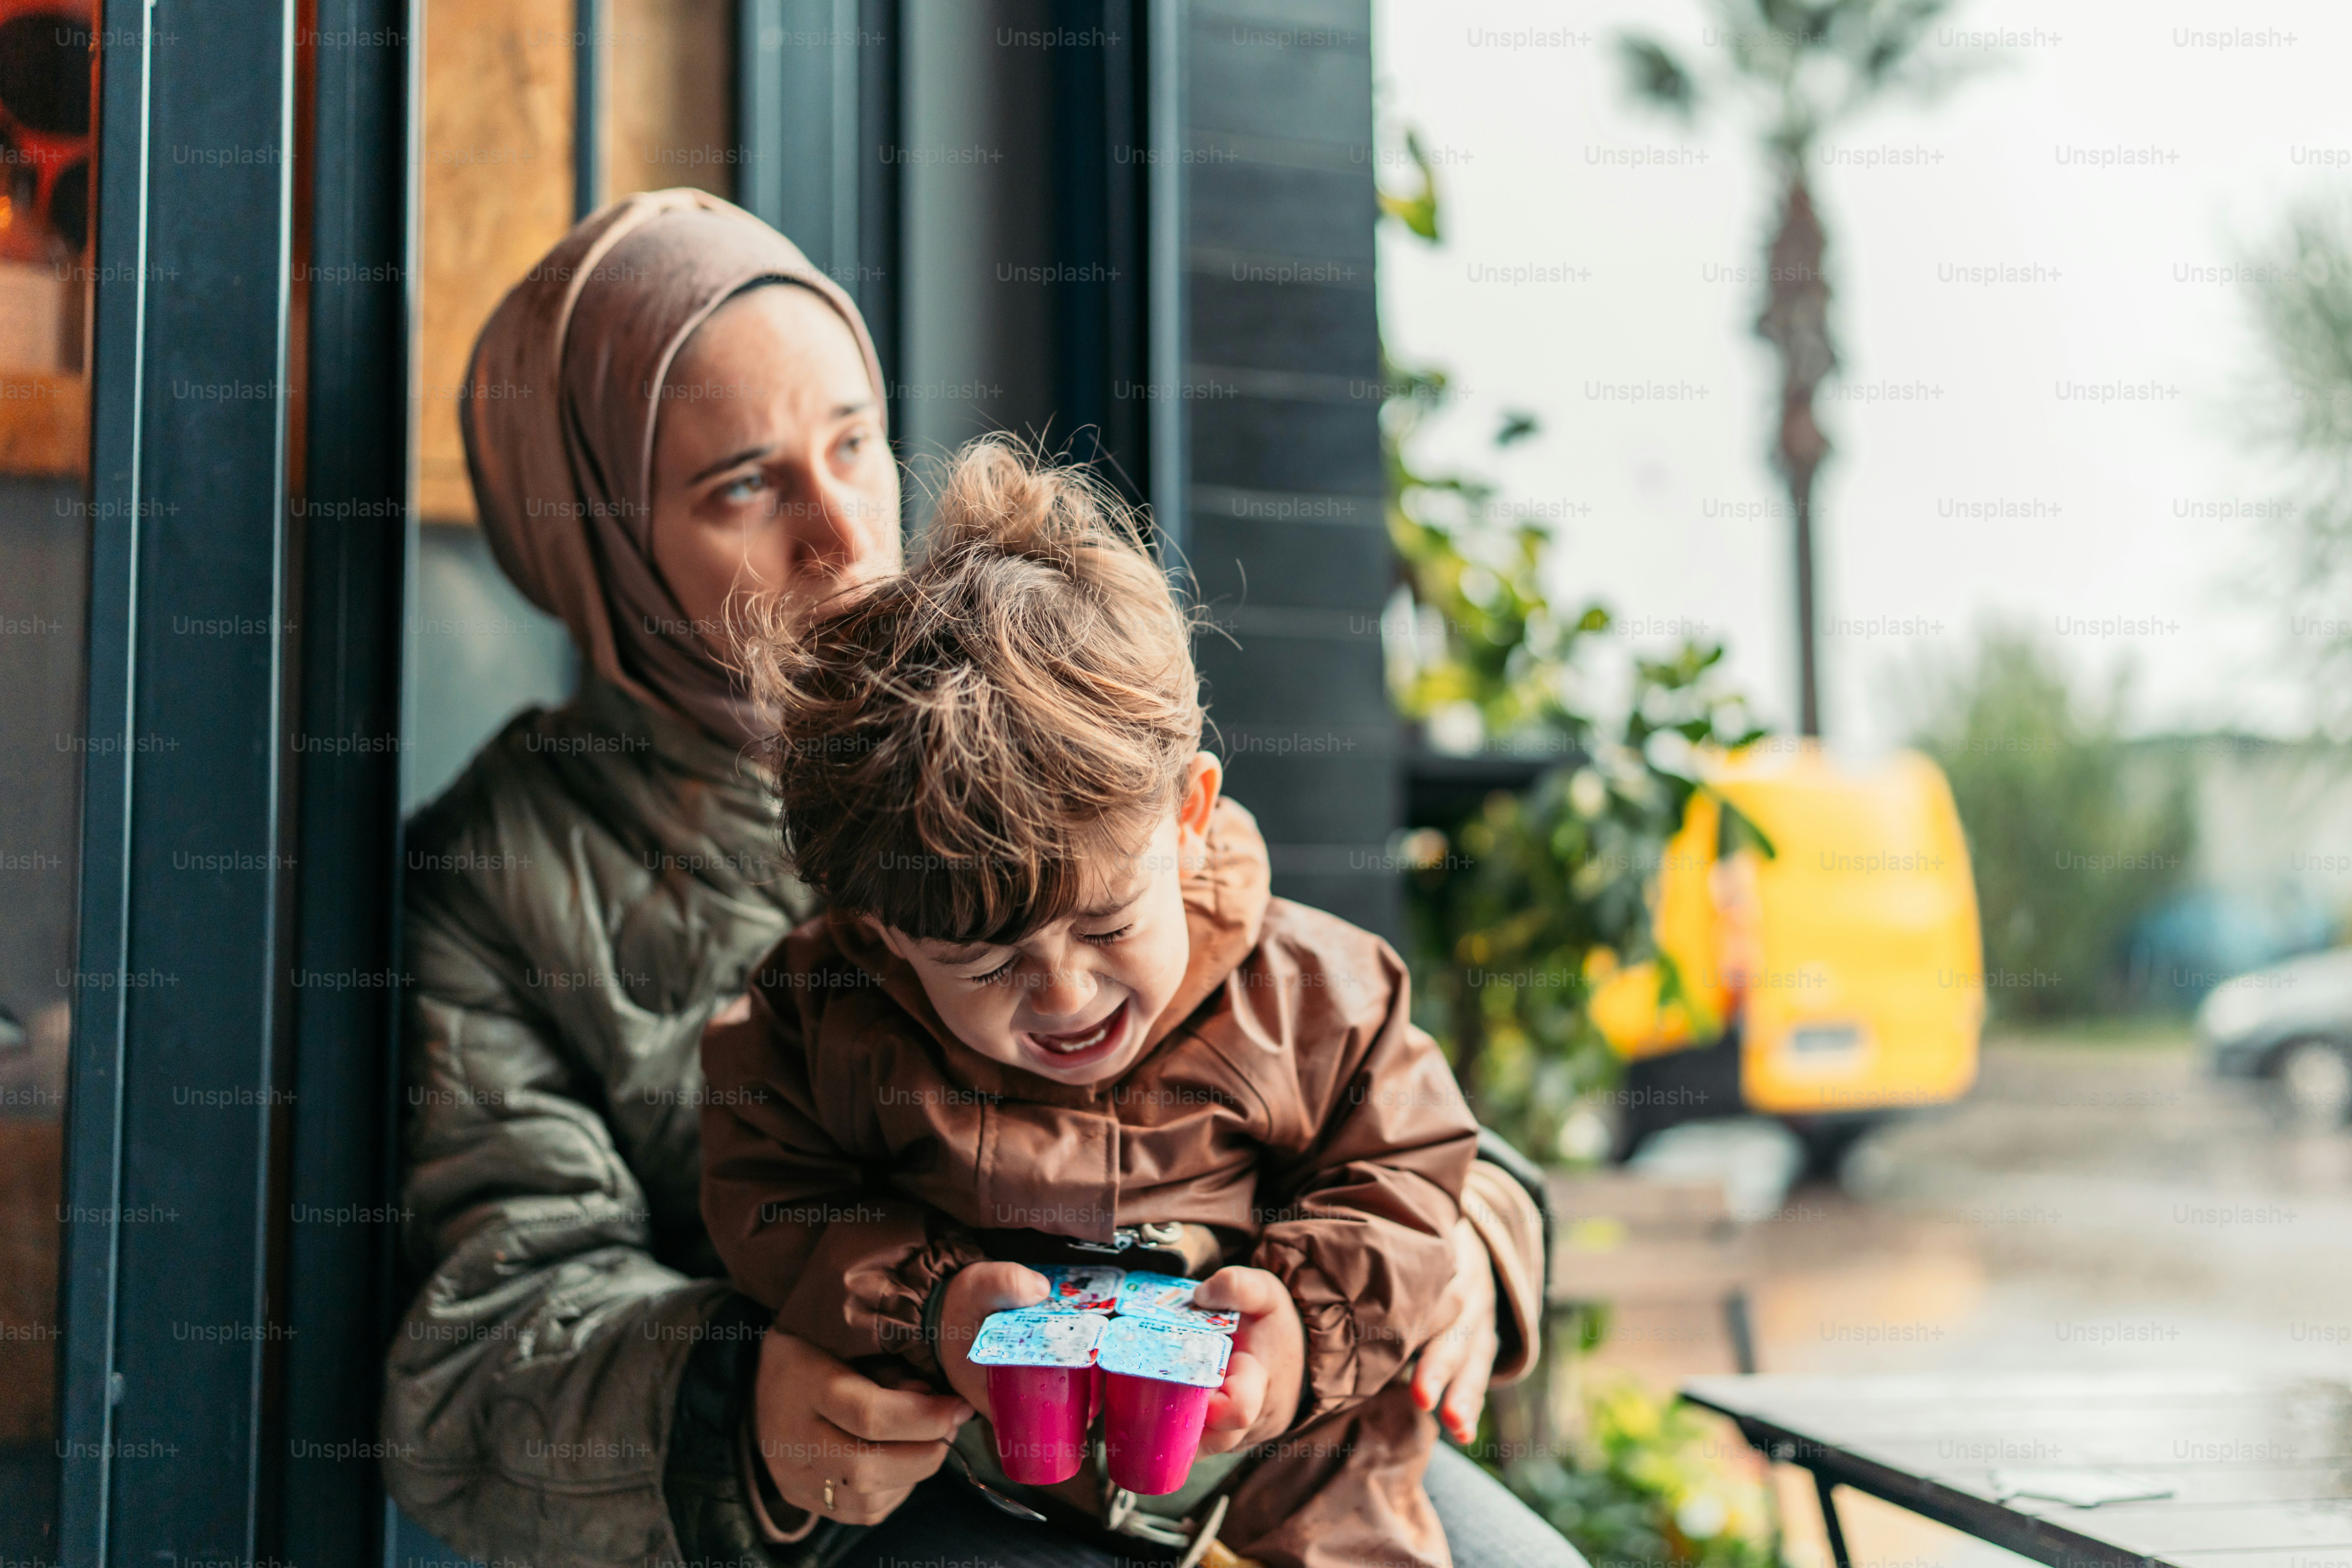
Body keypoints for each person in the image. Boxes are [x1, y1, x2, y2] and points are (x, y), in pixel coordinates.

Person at [384, 188, 1576, 1568]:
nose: (839, 537)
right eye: (742, 486)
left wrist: (1469, 1243)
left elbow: (1331, 1057)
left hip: (1254, 1420)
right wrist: (743, 1409)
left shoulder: (1025, 687)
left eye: (853, 443)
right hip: (885, 1497)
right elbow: (478, 1350)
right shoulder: (501, 872)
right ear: (590, 538)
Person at [703, 439, 1474, 1568]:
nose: (1063, 994)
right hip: (981, 1495)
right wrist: (931, 1304)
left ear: (1187, 813)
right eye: (981, 963)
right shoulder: (825, 1015)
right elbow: (769, 1188)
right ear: (878, 926)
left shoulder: (1317, 994)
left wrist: (1303, 1330)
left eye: (1109, 925)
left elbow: (1409, 1173)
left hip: (1298, 1484)